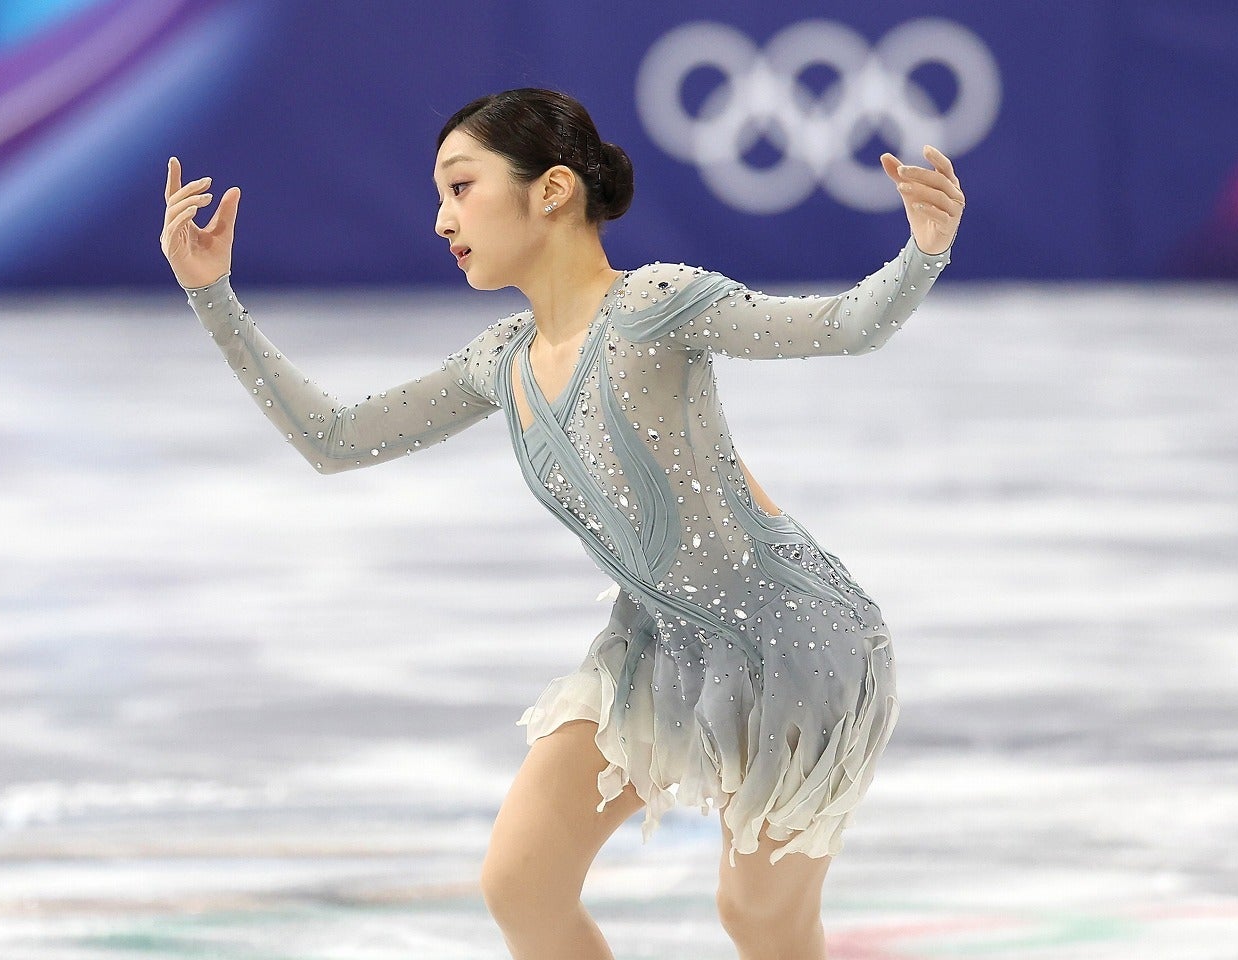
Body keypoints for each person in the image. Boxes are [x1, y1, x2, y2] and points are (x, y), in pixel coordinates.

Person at [160, 87, 963, 960]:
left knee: (759, 918)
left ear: (551, 191)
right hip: (660, 644)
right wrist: (215, 298)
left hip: (799, 644)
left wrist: (923, 250)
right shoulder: (500, 359)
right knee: (522, 882)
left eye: (461, 188)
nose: (441, 220)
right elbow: (335, 438)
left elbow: (842, 327)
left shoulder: (657, 303)